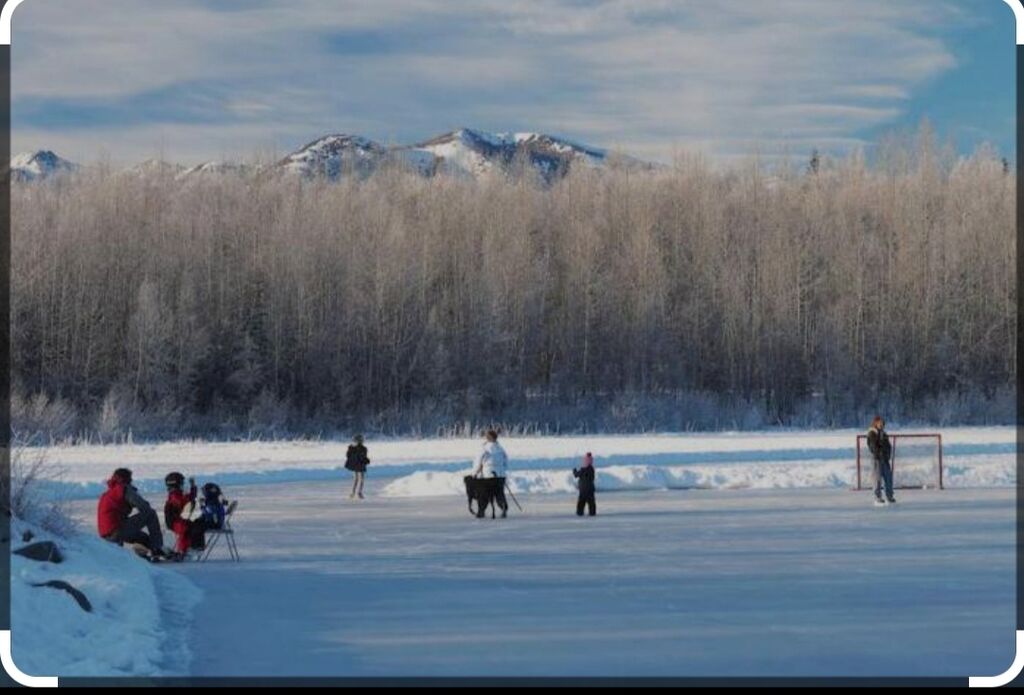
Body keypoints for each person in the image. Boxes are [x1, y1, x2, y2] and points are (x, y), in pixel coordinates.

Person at [97, 468, 166, 559]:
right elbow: (143, 506)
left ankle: (143, 549)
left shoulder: (109, 493)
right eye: (130, 479)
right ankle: (157, 548)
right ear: (126, 479)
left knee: (143, 537)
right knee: (151, 514)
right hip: (117, 531)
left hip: (107, 536)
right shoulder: (123, 489)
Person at [163, 472, 203, 561]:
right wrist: (189, 499)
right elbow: (181, 501)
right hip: (174, 522)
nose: (183, 486)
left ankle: (192, 547)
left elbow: (190, 498)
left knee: (194, 524)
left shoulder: (178, 494)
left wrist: (193, 487)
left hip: (179, 521)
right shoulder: (174, 495)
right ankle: (183, 550)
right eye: (181, 484)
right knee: (185, 528)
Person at [471, 429, 509, 518]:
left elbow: (478, 462)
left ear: (488, 438)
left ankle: (481, 511)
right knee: (499, 493)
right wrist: (502, 470)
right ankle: (503, 507)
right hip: (500, 476)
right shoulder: (500, 448)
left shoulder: (484, 448)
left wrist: (474, 473)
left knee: (484, 494)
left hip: (488, 475)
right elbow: (506, 462)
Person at [867, 415, 895, 505]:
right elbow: (873, 446)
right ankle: (877, 497)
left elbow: (888, 446)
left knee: (888, 478)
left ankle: (889, 496)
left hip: (885, 459)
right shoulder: (872, 433)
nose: (882, 425)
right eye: (880, 423)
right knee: (877, 479)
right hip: (876, 459)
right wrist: (879, 453)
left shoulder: (884, 434)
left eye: (883, 423)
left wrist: (887, 454)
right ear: (876, 423)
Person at [345, 434, 370, 499]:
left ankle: (353, 492)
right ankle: (359, 492)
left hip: (355, 465)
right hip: (360, 465)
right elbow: (363, 457)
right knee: (361, 479)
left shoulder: (351, 448)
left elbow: (348, 456)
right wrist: (367, 460)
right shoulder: (363, 449)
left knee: (356, 479)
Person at [573, 452, 597, 516]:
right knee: (591, 502)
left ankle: (579, 512)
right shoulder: (591, 469)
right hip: (590, 488)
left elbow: (576, 475)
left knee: (581, 502)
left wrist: (574, 471)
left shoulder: (583, 469)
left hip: (583, 489)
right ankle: (592, 513)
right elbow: (592, 478)